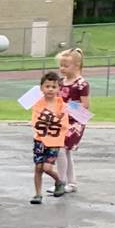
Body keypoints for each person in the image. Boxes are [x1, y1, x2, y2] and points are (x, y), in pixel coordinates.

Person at [28, 71, 71, 204]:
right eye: (47, 86)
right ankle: (37, 194)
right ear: (41, 88)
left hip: (54, 141)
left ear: (59, 89)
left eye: (54, 87)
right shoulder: (37, 102)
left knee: (47, 168)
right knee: (38, 168)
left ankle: (59, 181)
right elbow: (25, 104)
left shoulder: (62, 105)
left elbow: (73, 117)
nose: (50, 89)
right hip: (40, 140)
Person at [56, 48, 91, 192]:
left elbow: (85, 104)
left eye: (66, 66)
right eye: (61, 65)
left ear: (76, 66)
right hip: (61, 120)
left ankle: (62, 182)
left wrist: (67, 107)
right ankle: (71, 183)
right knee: (65, 151)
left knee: (61, 148)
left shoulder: (81, 84)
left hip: (75, 120)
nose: (62, 69)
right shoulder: (60, 82)